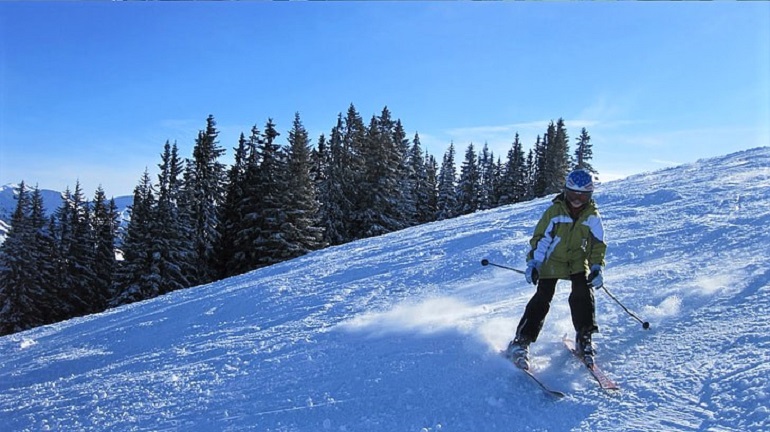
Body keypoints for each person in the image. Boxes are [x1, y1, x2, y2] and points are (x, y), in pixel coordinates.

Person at [505, 168, 606, 370]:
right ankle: (521, 341)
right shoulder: (555, 212)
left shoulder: (592, 216)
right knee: (543, 296)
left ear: (589, 196)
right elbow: (541, 239)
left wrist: (596, 268)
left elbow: (597, 244)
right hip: (552, 259)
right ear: (565, 192)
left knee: (583, 293)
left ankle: (584, 337)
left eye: (582, 196)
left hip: (577, 260)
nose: (577, 200)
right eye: (573, 195)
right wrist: (534, 263)